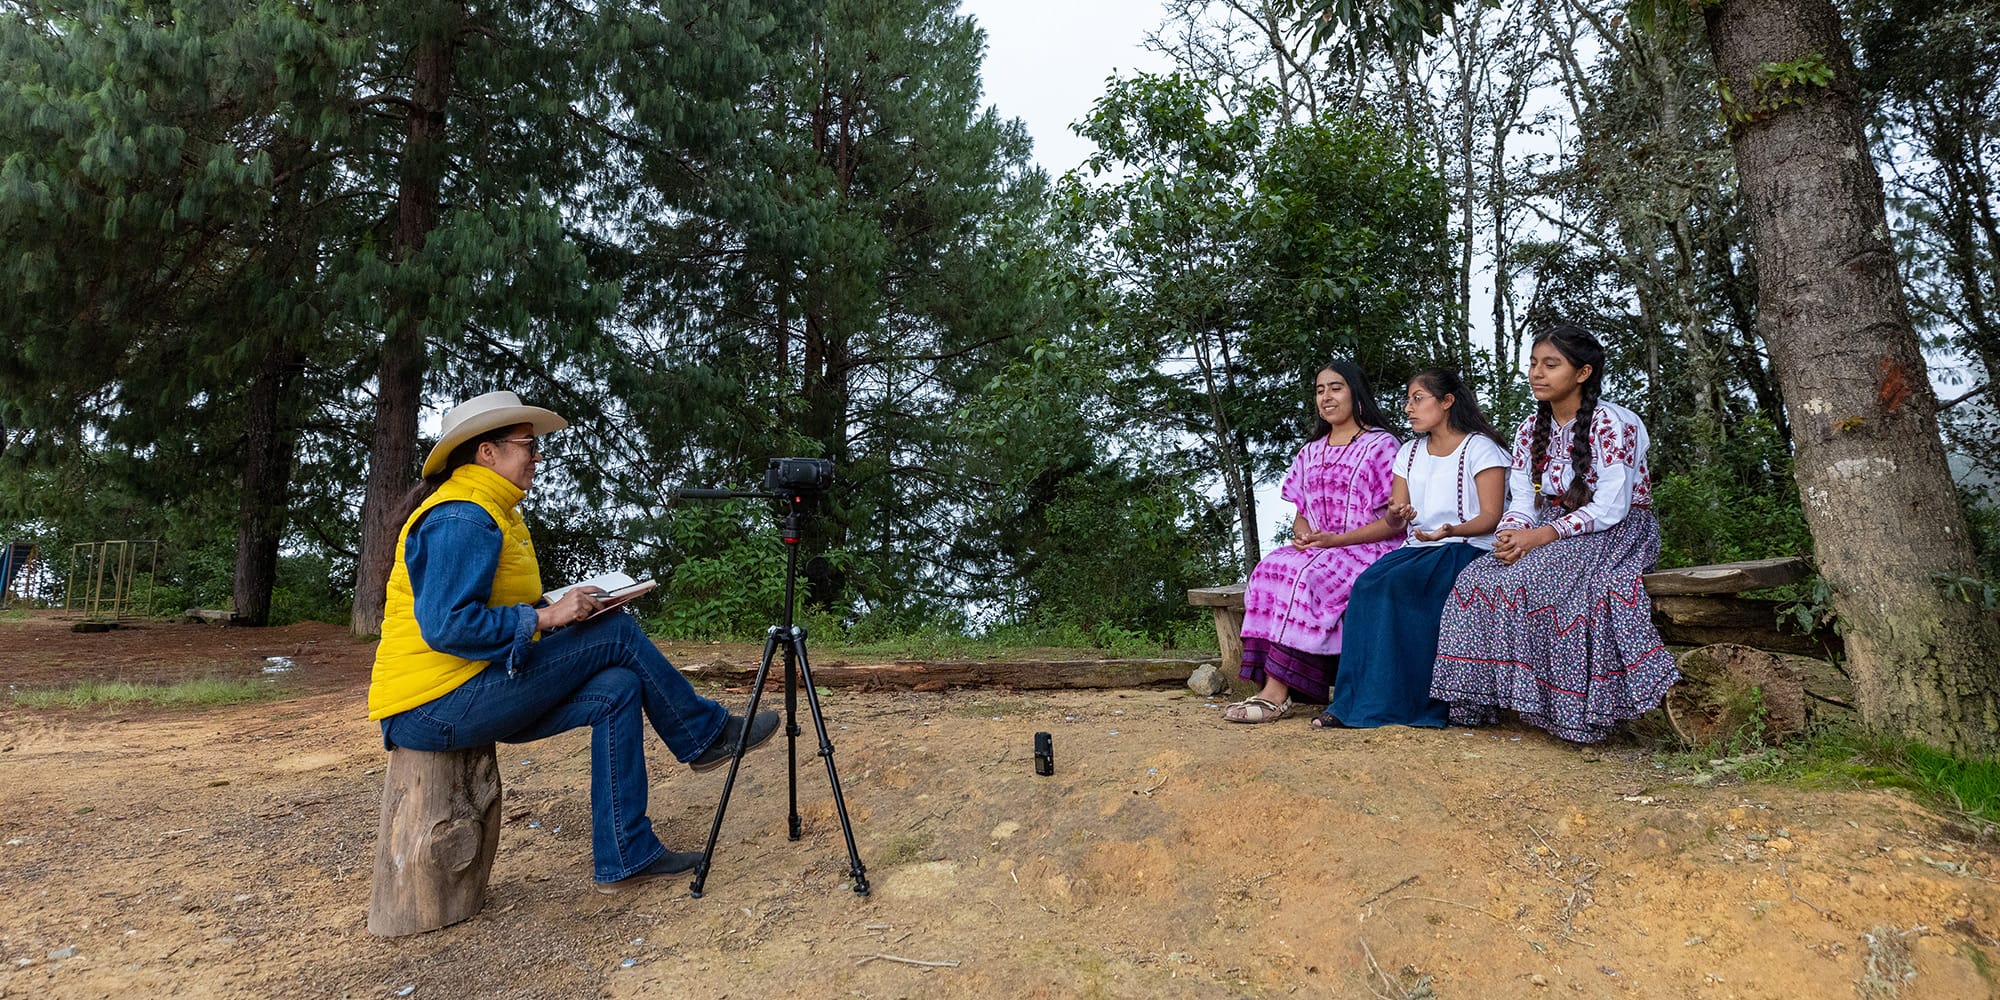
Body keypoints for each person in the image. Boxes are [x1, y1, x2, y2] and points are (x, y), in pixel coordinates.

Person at [367, 391, 779, 892]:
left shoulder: (491, 511)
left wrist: (562, 608)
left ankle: (626, 855)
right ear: (487, 452)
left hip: (472, 687)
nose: (537, 458)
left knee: (618, 686)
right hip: (433, 706)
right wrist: (547, 616)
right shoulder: (463, 517)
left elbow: (497, 607)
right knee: (618, 633)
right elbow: (448, 627)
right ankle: (704, 737)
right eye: (528, 446)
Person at [1428, 324, 1680, 742]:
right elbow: (1523, 500)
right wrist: (1511, 534)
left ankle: (1570, 710)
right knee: (1475, 580)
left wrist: (1542, 537)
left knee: (1538, 580)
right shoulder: (1530, 428)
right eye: (1532, 364)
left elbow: (1611, 508)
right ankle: (1483, 698)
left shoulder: (1615, 424)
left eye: (1550, 364)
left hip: (1617, 531)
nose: (1536, 373)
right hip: (1553, 532)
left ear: (1582, 373)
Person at [1316, 369, 1510, 729]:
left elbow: (1491, 517)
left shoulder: (1481, 448)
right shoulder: (1408, 451)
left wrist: (1450, 529)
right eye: (1408, 400)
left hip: (1466, 548)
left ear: (1447, 401)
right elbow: (1397, 521)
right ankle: (1350, 702)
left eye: (1418, 399)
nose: (1408, 408)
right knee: (1366, 586)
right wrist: (1396, 513)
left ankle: (1402, 704)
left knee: (1396, 588)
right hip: (1418, 548)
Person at [1222, 360, 1401, 723]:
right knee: (1271, 568)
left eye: (1335, 388)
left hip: (1368, 548)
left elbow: (1392, 523)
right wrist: (1303, 535)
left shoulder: (1382, 445)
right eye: (1320, 390)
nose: (1326, 397)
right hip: (1322, 548)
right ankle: (1278, 684)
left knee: (1302, 575)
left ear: (1355, 392)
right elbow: (1301, 511)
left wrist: (1336, 541)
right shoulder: (1310, 451)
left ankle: (1276, 693)